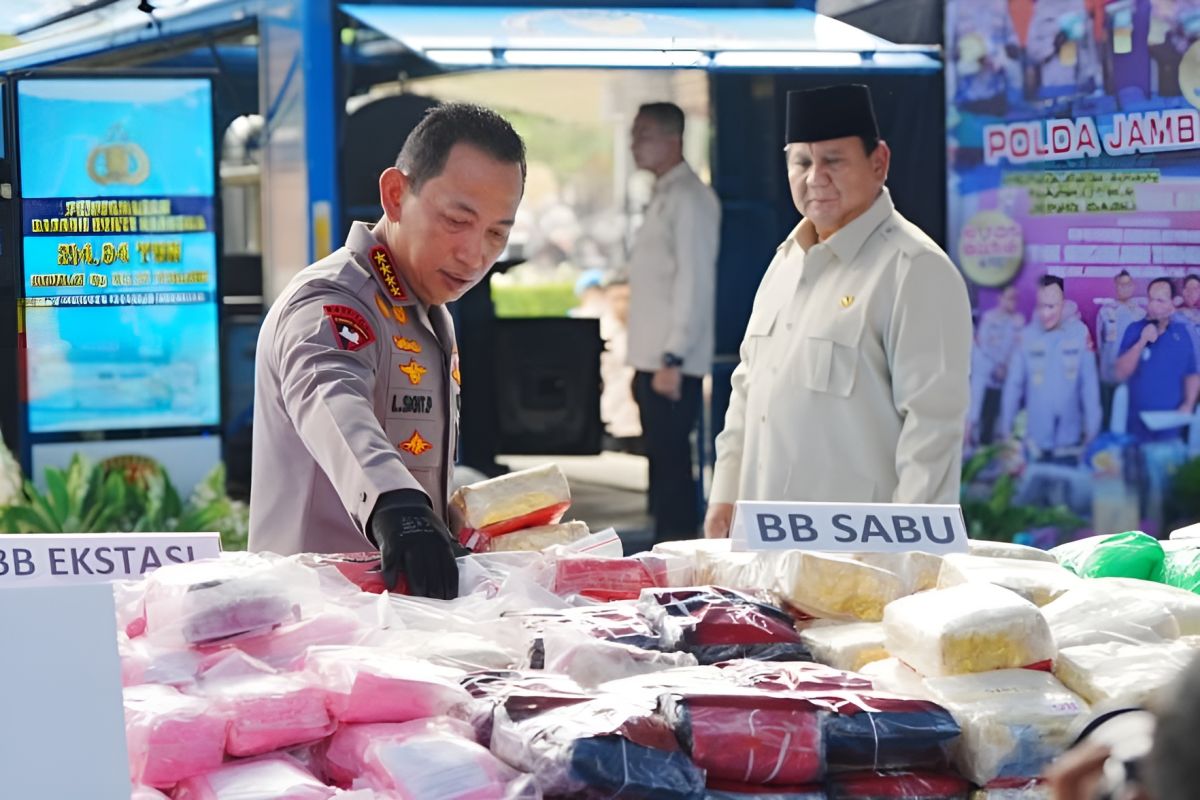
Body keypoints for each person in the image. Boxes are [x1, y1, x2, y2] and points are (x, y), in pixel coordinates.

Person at [248, 104, 526, 599]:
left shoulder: (428, 311)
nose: (474, 255)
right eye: (457, 220)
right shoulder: (330, 300)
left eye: (496, 234)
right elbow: (333, 402)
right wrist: (396, 505)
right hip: (313, 611)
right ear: (396, 195)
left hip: (393, 614)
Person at [704, 84, 972, 539]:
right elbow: (747, 386)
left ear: (879, 162)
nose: (815, 178)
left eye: (834, 160)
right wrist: (725, 496)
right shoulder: (786, 261)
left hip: (856, 552)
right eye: (801, 163)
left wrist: (909, 556)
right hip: (763, 540)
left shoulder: (914, 269)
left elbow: (932, 430)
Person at [625, 101, 720, 543]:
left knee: (673, 465)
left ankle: (677, 548)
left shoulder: (690, 199)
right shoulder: (663, 194)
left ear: (673, 139)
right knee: (661, 464)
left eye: (644, 135)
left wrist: (674, 355)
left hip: (671, 360)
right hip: (652, 357)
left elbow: (694, 282)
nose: (634, 145)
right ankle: (664, 542)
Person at [997, 276, 1100, 515]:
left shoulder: (1079, 334)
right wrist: (1006, 429)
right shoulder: (1027, 337)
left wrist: (1093, 428)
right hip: (1035, 443)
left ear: (1063, 303)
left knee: (1068, 512)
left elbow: (1089, 385)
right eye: (1041, 306)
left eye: (1052, 306)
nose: (1046, 313)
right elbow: (1013, 386)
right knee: (1035, 511)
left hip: (1070, 443)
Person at [1116, 277, 1199, 442]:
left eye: (1160, 301)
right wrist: (1142, 341)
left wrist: (1189, 403)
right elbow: (1120, 373)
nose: (1153, 306)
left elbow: (1192, 373)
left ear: (1172, 303)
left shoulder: (1184, 332)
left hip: (1172, 427)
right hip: (1137, 426)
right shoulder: (1134, 329)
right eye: (1151, 299)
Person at [970, 284, 1024, 445]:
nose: (1012, 302)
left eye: (1015, 299)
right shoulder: (989, 318)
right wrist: (995, 367)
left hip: (1007, 373)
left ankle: (1002, 442)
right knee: (980, 411)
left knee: (1005, 416)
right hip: (988, 372)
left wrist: (1005, 367)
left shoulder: (1018, 321)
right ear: (1000, 298)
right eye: (1009, 298)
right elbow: (983, 346)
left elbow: (1018, 348)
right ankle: (976, 440)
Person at [1097, 269, 1146, 427]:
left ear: (1133, 286)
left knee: (1128, 420)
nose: (1124, 288)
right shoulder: (1106, 312)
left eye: (1128, 284)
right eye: (1120, 284)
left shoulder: (1141, 314)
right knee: (1108, 418)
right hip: (1109, 374)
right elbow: (1100, 343)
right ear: (1115, 286)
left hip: (1133, 375)